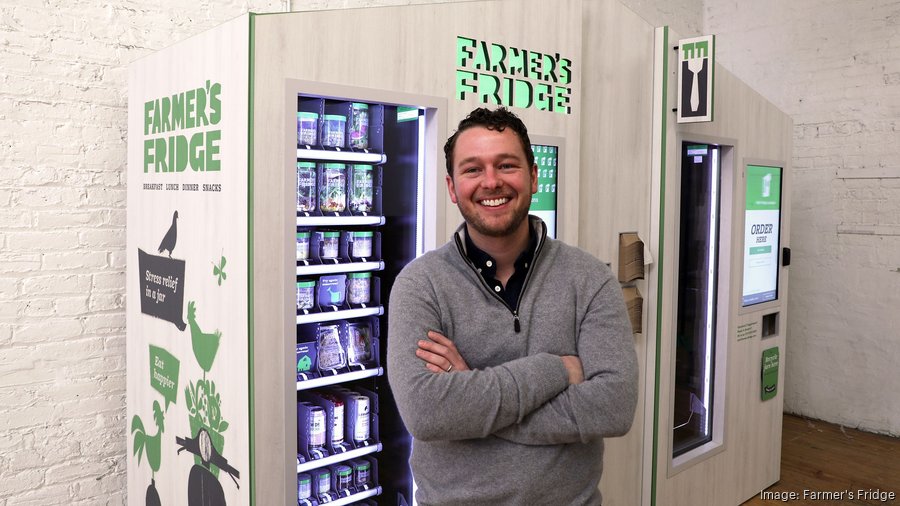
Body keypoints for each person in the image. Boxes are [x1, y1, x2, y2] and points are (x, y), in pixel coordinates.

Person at [387, 106, 638, 505]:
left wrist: (472, 398)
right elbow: (428, 414)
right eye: (472, 169)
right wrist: (554, 368)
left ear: (533, 176)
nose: (491, 182)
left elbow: (613, 408)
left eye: (506, 165)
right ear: (452, 187)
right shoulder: (420, 285)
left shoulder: (590, 279)